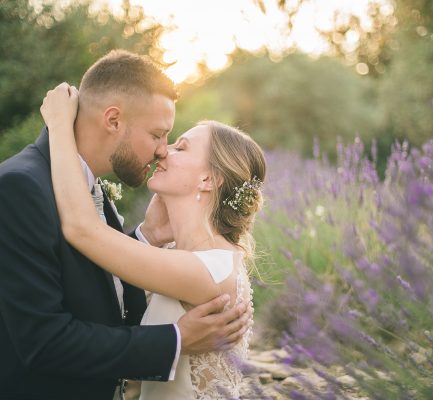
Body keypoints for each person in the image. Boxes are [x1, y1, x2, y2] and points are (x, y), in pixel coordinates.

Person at [0, 50, 250, 400]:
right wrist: (175, 339)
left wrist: (143, 238)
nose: (163, 151)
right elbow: (43, 341)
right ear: (114, 120)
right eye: (159, 135)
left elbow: (99, 282)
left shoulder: (92, 191)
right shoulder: (21, 187)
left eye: (175, 143)